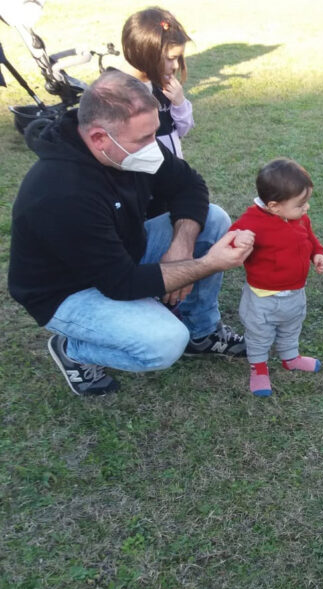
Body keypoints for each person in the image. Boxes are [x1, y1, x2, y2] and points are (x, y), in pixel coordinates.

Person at [8, 69, 254, 396]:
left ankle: (203, 332)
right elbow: (120, 283)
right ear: (98, 137)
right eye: (143, 139)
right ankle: (73, 351)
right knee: (164, 342)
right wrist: (208, 264)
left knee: (212, 219)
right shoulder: (61, 193)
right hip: (69, 291)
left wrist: (181, 246)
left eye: (154, 133)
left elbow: (188, 184)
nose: (154, 146)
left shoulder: (127, 148)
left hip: (121, 252)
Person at [229, 158, 323, 397]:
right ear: (274, 206)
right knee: (259, 336)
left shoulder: (299, 218)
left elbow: (309, 237)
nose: (307, 208)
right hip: (263, 299)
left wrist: (317, 253)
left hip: (295, 293)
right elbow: (230, 237)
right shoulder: (253, 222)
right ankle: (259, 368)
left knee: (291, 328)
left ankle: (290, 358)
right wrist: (238, 237)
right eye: (301, 204)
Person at [122, 7, 193, 159]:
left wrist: (180, 103)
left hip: (173, 169)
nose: (176, 66)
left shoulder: (163, 84)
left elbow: (182, 130)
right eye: (170, 58)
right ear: (147, 53)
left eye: (178, 58)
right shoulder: (122, 93)